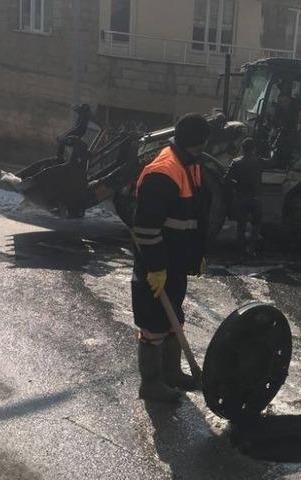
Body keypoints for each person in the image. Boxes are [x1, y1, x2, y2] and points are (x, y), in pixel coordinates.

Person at [131, 113, 212, 402]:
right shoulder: (163, 173)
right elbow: (145, 229)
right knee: (153, 325)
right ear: (196, 143)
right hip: (156, 266)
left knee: (173, 318)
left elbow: (194, 216)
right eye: (202, 145)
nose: (204, 150)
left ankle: (172, 373)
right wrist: (155, 268)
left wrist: (197, 254)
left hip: (175, 264)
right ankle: (151, 384)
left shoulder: (190, 164)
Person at [224, 138, 264, 256]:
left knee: (241, 225)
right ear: (254, 149)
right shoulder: (259, 161)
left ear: (242, 148)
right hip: (256, 198)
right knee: (256, 224)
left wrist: (236, 185)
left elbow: (226, 179)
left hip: (241, 197)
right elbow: (272, 163)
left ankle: (241, 251)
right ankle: (251, 249)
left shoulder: (236, 162)